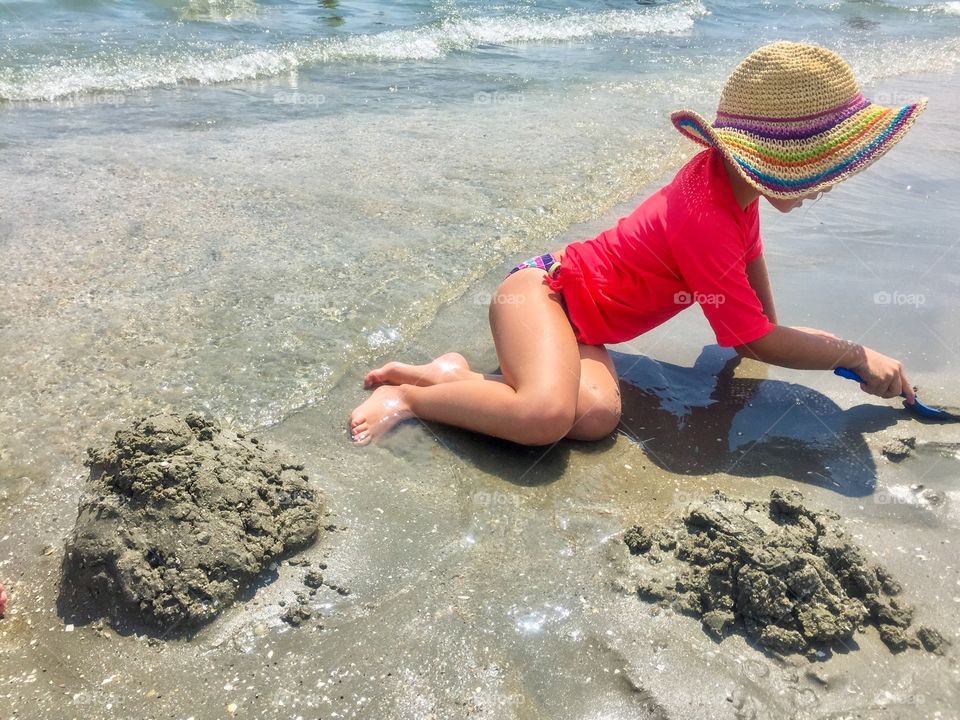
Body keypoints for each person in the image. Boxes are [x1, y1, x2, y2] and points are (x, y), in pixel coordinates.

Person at [349, 41, 926, 446]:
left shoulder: (733, 193)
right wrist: (851, 353)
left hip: (586, 327)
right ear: (773, 160)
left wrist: (759, 343)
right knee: (544, 417)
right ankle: (408, 398)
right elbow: (757, 339)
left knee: (595, 418)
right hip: (539, 296)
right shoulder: (706, 217)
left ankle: (452, 374)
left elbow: (755, 329)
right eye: (821, 167)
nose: (825, 186)